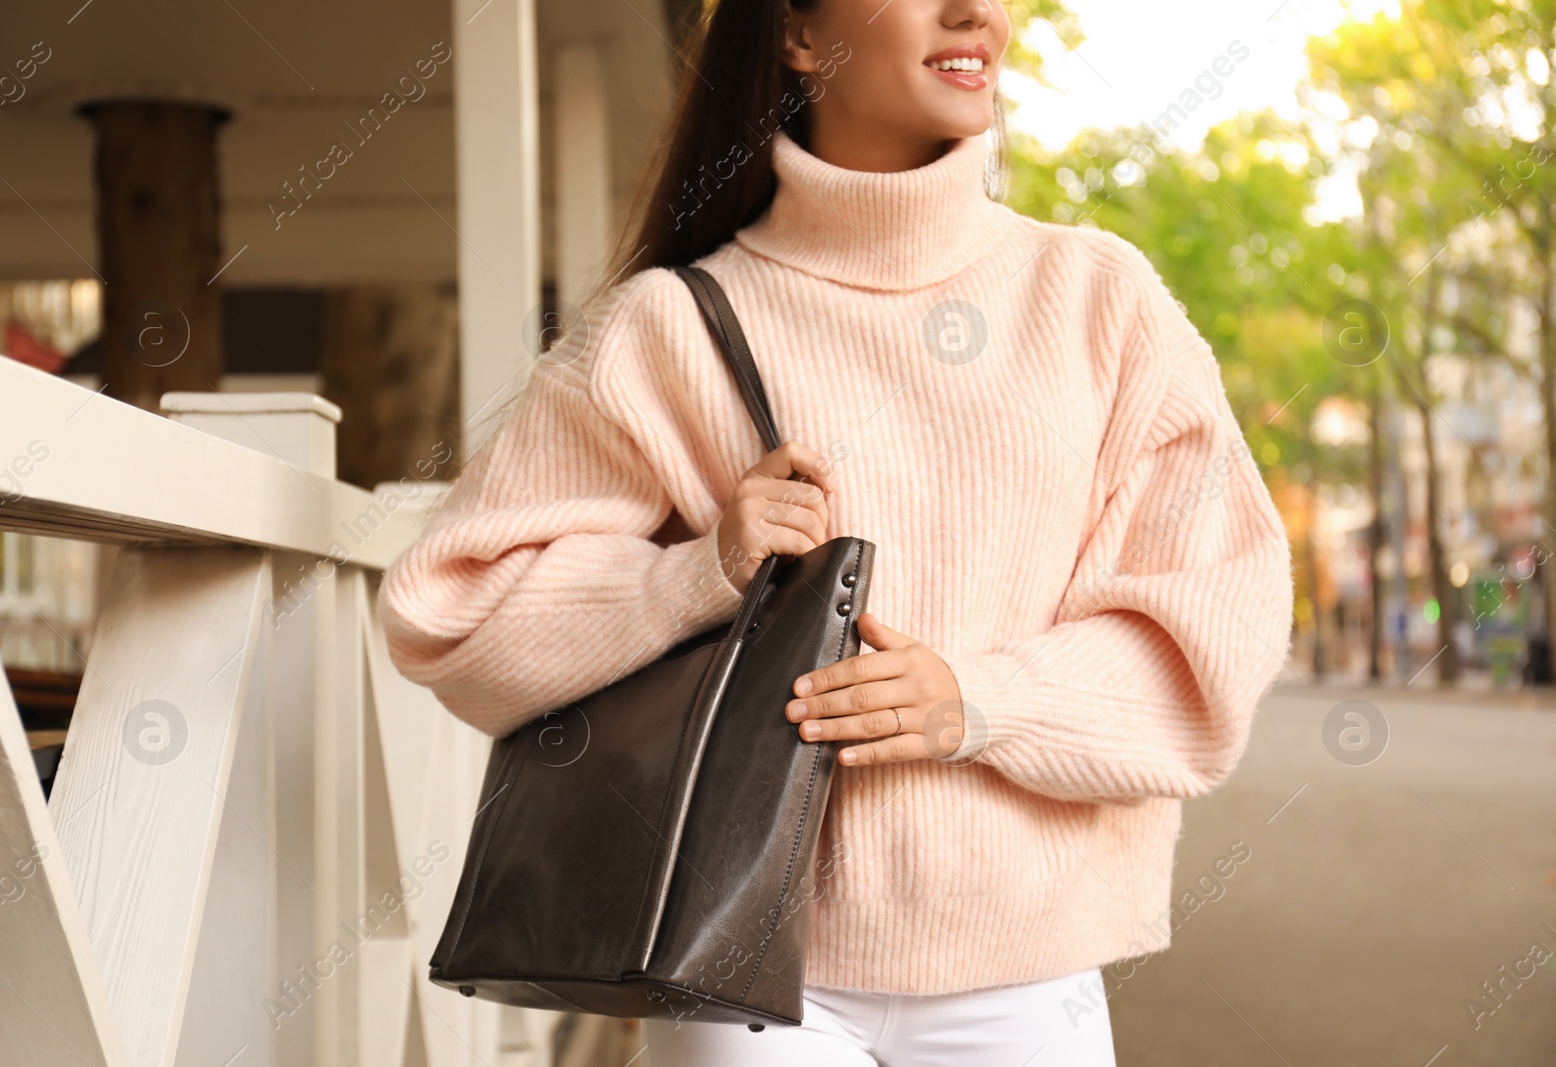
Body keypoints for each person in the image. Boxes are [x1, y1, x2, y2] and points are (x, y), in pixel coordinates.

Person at [376, 0, 1296, 1060]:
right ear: (798, 34)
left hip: (1029, 969)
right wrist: (693, 573)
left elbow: (1216, 619)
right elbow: (450, 619)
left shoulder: (1097, 297)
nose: (975, 11)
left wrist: (984, 699)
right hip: (741, 966)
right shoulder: (671, 325)